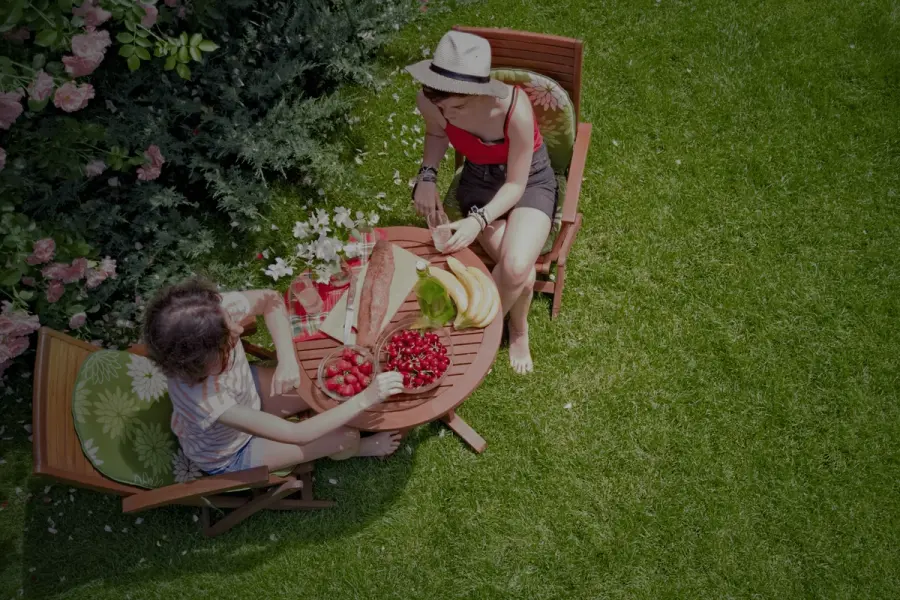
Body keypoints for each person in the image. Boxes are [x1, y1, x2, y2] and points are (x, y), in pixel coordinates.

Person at [406, 30, 557, 375]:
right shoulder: (431, 101)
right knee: (520, 272)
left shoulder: (513, 109)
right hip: (480, 182)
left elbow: (518, 183)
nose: (450, 116)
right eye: (444, 108)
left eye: (458, 107)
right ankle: (516, 327)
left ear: (480, 92)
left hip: (530, 181)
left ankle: (484, 336)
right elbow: (436, 133)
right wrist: (427, 175)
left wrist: (477, 221)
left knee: (516, 267)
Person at [142, 278, 404, 475]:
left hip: (250, 393)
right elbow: (297, 434)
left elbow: (271, 299)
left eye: (229, 320)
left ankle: (328, 420)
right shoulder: (207, 400)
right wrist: (366, 399)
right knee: (347, 437)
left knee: (320, 383)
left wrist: (287, 360)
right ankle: (362, 449)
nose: (237, 328)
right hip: (233, 450)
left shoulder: (209, 314)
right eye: (228, 340)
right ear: (200, 363)